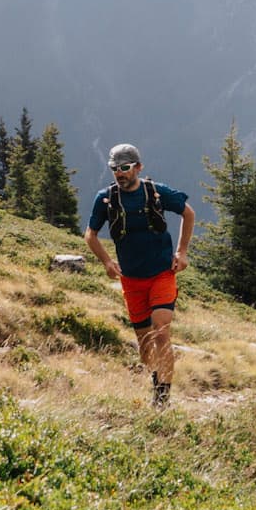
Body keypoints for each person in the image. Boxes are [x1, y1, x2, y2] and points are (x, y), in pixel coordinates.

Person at [84, 142, 195, 408]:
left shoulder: (156, 193)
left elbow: (188, 213)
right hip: (132, 279)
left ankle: (161, 400)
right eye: (115, 169)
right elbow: (90, 234)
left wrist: (182, 252)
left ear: (138, 167)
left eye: (125, 168)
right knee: (145, 348)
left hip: (161, 274)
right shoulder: (106, 199)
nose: (120, 173)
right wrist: (107, 261)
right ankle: (157, 376)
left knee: (161, 333)